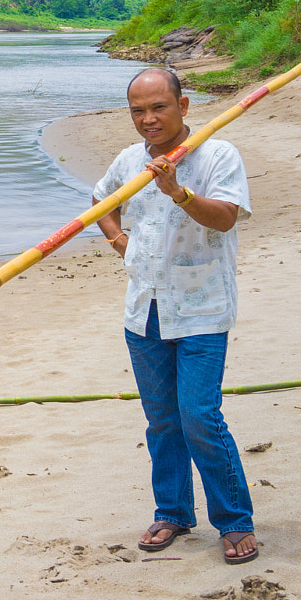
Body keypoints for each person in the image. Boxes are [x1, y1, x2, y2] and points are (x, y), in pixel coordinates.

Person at [93, 67, 258, 565]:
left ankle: (234, 522)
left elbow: (226, 217)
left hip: (202, 308)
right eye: (138, 111)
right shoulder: (128, 160)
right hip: (144, 310)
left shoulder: (217, 154)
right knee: (162, 421)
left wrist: (178, 192)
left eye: (158, 107)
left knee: (200, 417)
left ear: (182, 107)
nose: (148, 119)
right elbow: (101, 199)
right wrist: (119, 240)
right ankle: (173, 512)